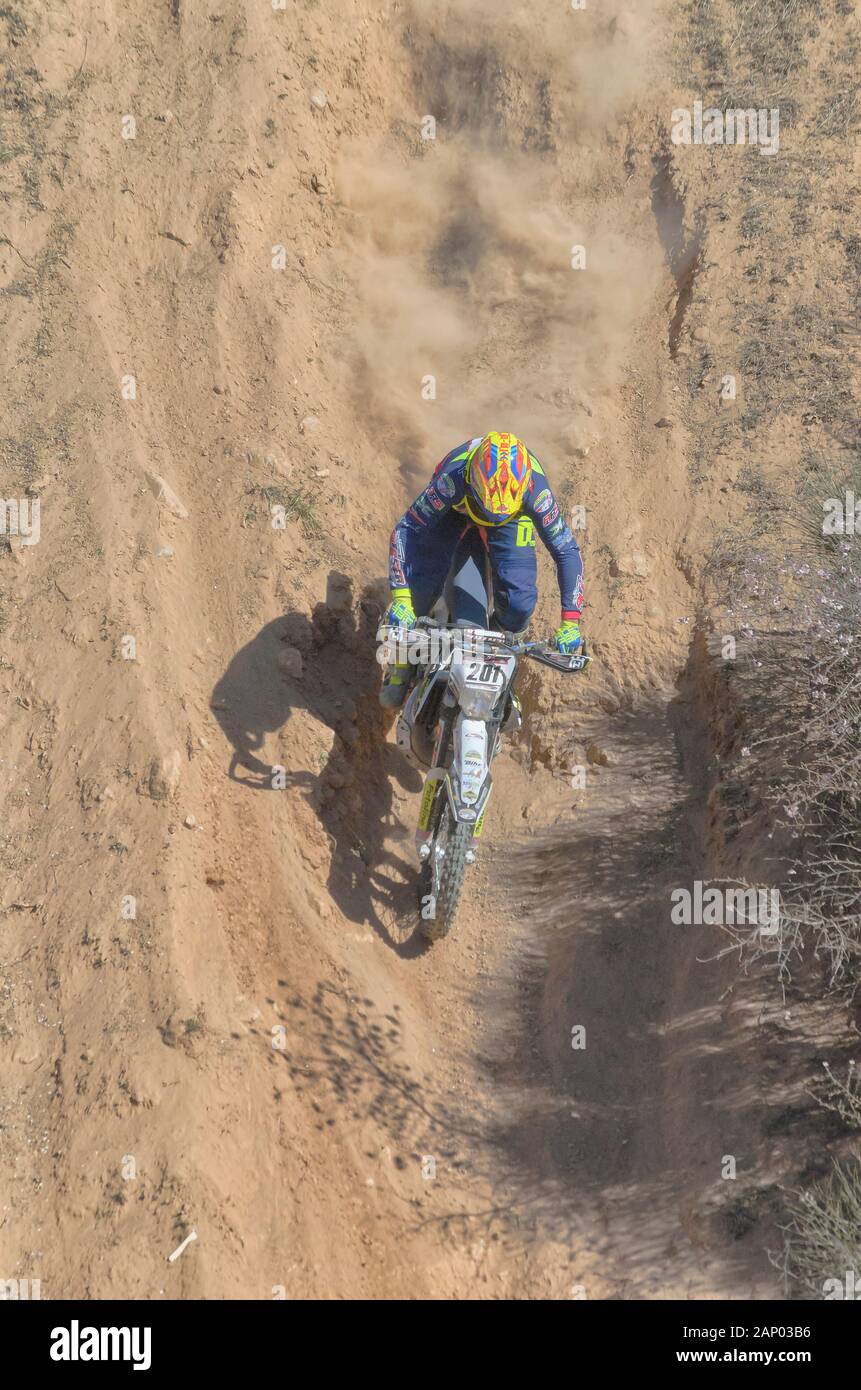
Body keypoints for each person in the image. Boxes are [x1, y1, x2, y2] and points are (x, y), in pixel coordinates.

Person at [380, 431, 584, 707]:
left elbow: (566, 550)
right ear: (472, 478)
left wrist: (570, 623)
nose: (492, 513)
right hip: (456, 509)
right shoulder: (451, 480)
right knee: (421, 588)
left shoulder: (537, 492)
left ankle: (504, 665)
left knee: (520, 604)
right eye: (489, 505)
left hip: (512, 519)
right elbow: (407, 529)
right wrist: (402, 600)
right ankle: (402, 658)